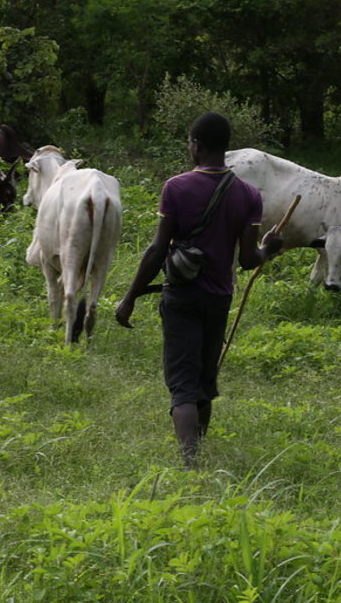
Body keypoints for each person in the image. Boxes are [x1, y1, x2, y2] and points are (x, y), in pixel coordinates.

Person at [115, 112, 283, 468]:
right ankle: (199, 450)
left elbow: (157, 250)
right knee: (205, 379)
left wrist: (129, 297)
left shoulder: (176, 188)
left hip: (181, 296)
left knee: (183, 385)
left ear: (197, 145)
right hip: (219, 298)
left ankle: (190, 464)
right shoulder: (248, 195)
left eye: (189, 143)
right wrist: (270, 247)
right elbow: (250, 260)